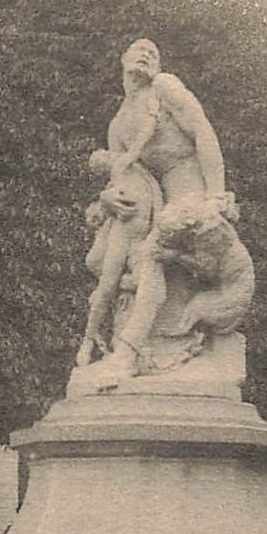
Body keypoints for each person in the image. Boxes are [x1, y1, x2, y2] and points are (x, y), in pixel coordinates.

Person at [79, 39, 236, 382]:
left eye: (154, 52)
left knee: (150, 257)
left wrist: (215, 196)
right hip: (151, 203)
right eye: (140, 49)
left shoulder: (164, 87)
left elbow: (203, 132)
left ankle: (126, 355)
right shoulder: (118, 124)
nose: (148, 54)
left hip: (187, 185)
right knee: (101, 259)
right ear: (122, 60)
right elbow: (122, 173)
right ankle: (142, 324)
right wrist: (107, 199)